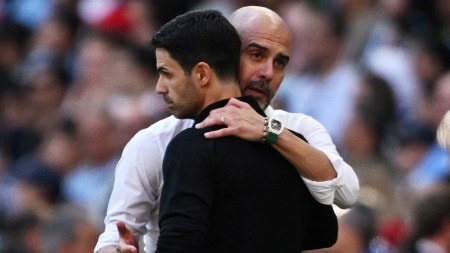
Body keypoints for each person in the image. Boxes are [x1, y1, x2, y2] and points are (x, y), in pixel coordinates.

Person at [95, 6, 360, 253]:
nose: (268, 72)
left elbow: (346, 194)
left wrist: (271, 132)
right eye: (256, 55)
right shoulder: (155, 142)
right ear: (227, 54)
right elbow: (115, 236)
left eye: (280, 63)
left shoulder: (294, 132)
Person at [152, 9, 337, 252]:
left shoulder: (192, 146)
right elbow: (324, 233)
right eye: (257, 55)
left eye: (167, 73)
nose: (160, 88)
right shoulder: (293, 145)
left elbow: (178, 246)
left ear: (202, 74)